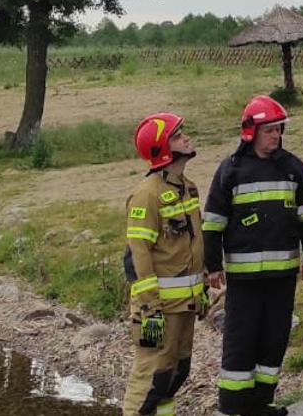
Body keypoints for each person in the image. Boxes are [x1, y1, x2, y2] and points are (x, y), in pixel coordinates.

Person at [203, 95, 303, 416]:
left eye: (278, 129)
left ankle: (261, 405)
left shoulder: (293, 168)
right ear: (250, 132)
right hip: (244, 281)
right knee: (241, 343)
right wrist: (212, 265)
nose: (276, 135)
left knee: (274, 342)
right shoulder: (231, 171)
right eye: (269, 130)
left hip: (283, 277)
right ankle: (231, 408)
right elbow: (213, 222)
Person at [121, 112, 206, 416]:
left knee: (174, 376)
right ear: (162, 148)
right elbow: (139, 254)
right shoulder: (147, 195)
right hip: (154, 311)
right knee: (149, 380)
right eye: (177, 135)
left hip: (185, 305)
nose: (186, 137)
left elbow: (194, 245)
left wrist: (202, 290)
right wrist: (150, 307)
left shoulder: (188, 187)